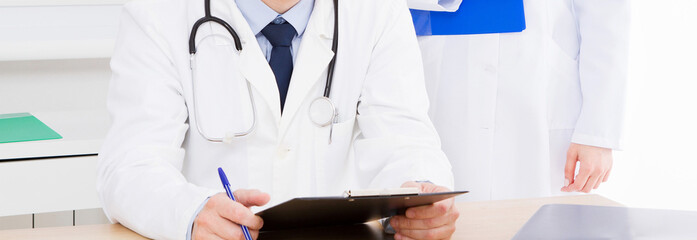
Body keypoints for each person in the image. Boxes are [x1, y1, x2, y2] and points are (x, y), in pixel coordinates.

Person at [98, 0, 459, 239]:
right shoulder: (158, 11)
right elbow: (129, 167)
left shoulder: (376, 10)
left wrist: (422, 193)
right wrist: (190, 213)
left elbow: (406, 140)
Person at [407, 0, 630, 201]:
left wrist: (596, 132)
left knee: (536, 220)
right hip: (440, 66)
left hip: (537, 82)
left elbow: (606, 14)